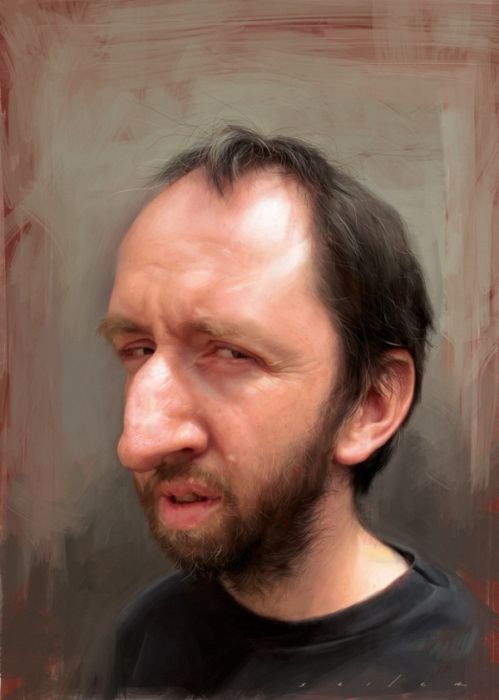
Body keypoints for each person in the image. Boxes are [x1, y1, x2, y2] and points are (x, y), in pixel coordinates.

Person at [98, 126, 488, 699]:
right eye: (138, 349)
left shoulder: (468, 668)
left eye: (230, 353)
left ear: (369, 405)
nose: (139, 442)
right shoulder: (148, 637)